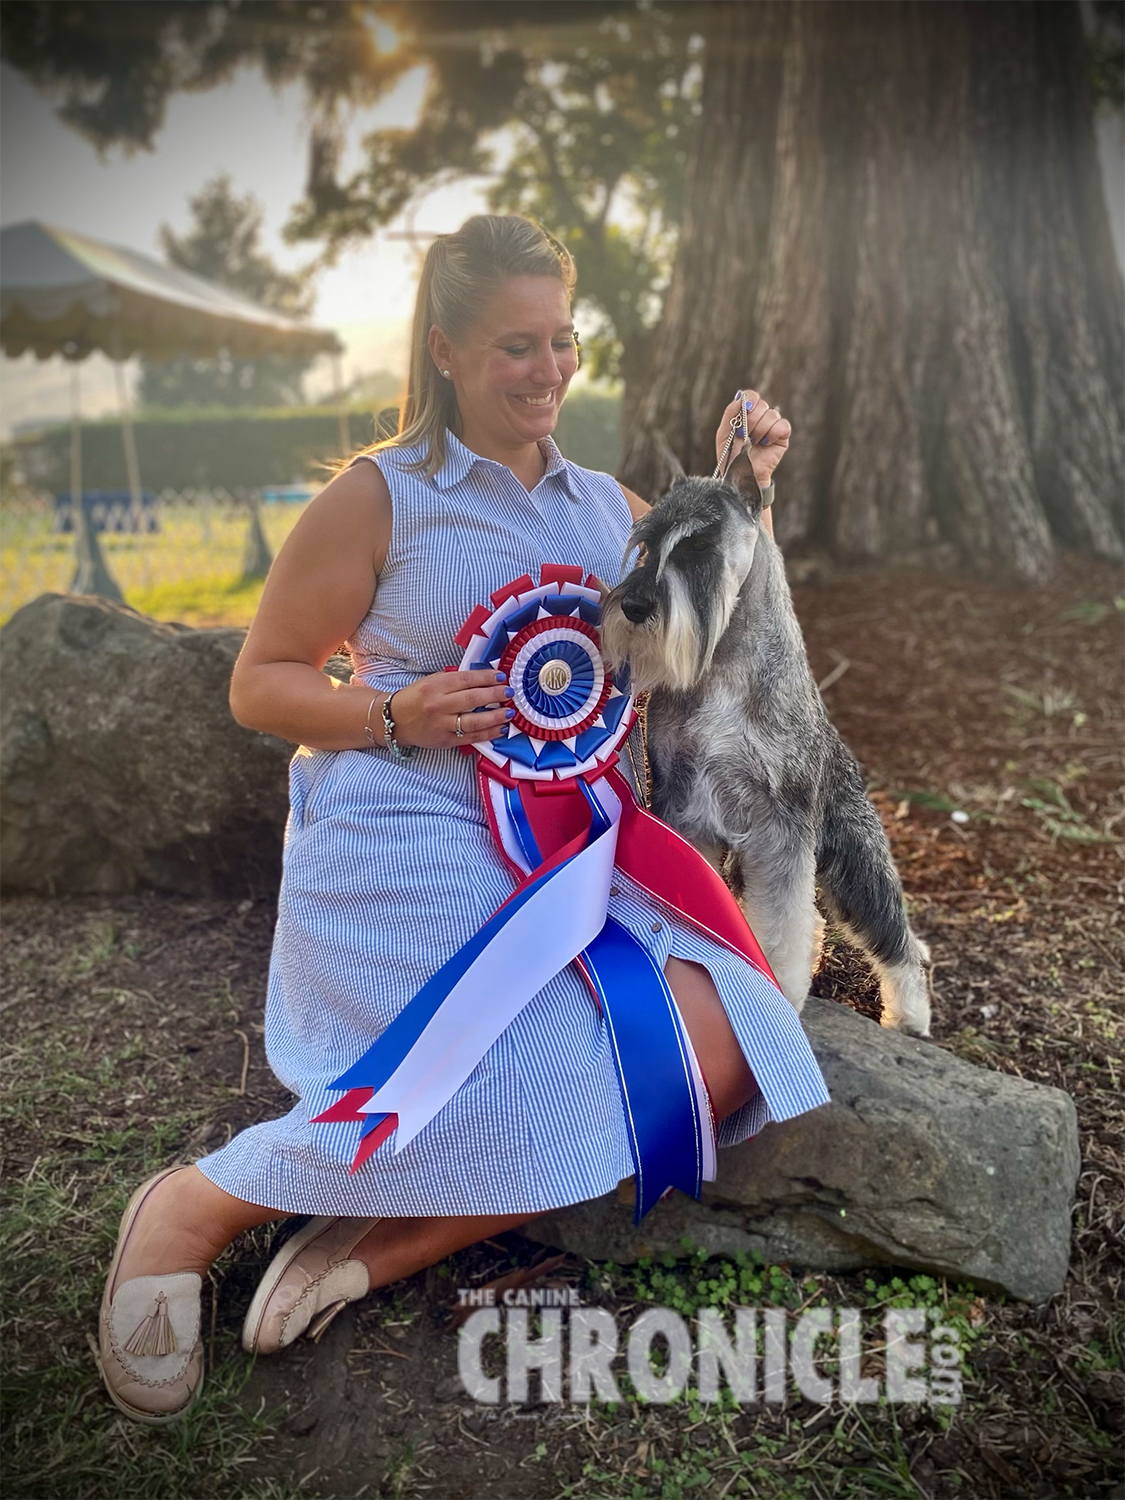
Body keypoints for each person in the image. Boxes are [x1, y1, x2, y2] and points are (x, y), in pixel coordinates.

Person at [96, 214, 829, 1426]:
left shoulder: (611, 510)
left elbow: (718, 633)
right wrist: (394, 711)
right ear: (444, 349)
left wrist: (741, 490)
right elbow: (260, 683)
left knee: (729, 1039)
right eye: (514, 347)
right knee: (508, 1069)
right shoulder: (376, 497)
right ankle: (195, 1207)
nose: (548, 371)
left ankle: (366, 1249)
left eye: (562, 341)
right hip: (403, 835)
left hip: (575, 855)